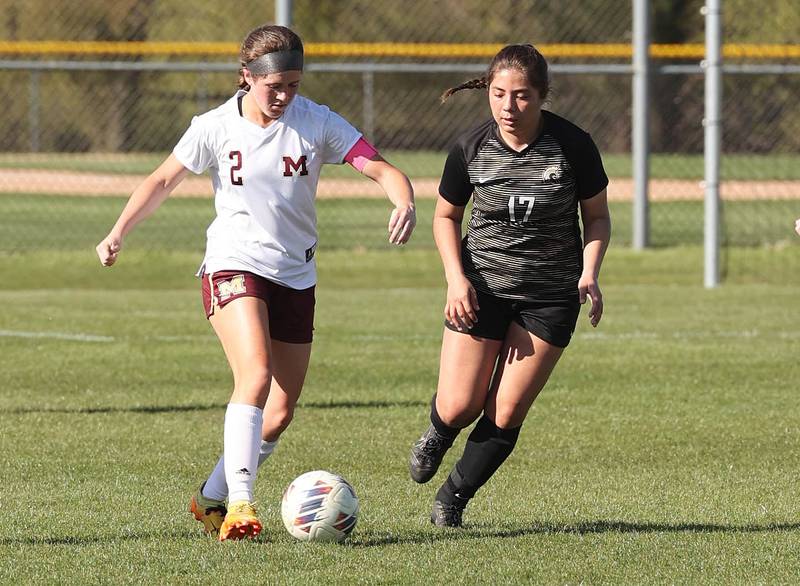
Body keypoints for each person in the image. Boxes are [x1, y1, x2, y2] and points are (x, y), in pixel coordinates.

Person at [96, 24, 416, 541]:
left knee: (280, 411)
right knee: (256, 374)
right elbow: (161, 180)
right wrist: (118, 232)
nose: (286, 96)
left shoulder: (316, 122)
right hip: (233, 262)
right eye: (275, 87)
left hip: (296, 273)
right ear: (247, 77)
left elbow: (381, 168)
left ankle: (211, 497)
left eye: (293, 83)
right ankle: (241, 503)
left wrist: (404, 199)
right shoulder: (215, 126)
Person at [407, 44, 610, 527]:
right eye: (499, 94)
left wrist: (590, 271)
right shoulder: (470, 147)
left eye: (521, 97)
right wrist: (456, 279)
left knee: (506, 409)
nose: (508, 107)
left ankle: (452, 499)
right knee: (460, 404)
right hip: (481, 287)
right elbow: (444, 216)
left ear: (542, 97)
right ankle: (439, 430)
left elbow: (597, 218)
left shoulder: (573, 145)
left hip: (550, 295)